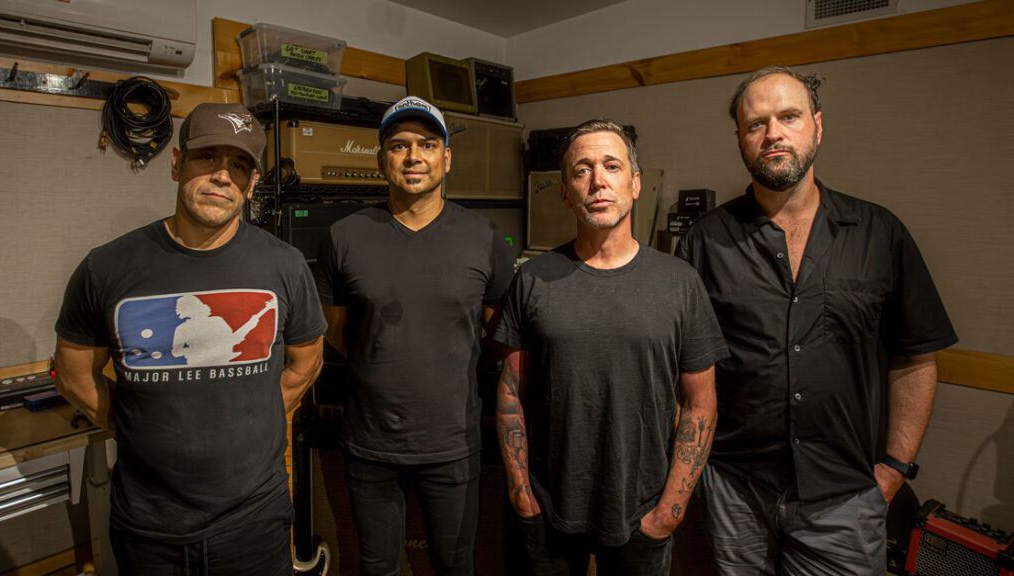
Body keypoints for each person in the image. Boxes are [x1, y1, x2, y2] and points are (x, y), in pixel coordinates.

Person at [675, 65, 959, 575]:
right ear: (740, 138)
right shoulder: (705, 241)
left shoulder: (879, 233)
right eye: (756, 123)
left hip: (845, 495)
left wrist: (894, 469)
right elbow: (686, 369)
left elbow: (915, 357)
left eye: (789, 116)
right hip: (734, 491)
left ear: (818, 126)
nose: (773, 134)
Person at [54, 102, 327, 575]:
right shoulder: (106, 267)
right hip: (148, 528)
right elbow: (74, 375)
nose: (223, 175)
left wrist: (254, 421)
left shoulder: (285, 265)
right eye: (207, 157)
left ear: (252, 184)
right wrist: (140, 429)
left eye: (239, 166)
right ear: (177, 162)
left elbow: (307, 363)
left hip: (254, 523)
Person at [494, 119, 728, 575]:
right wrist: (521, 493)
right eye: (582, 170)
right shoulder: (533, 279)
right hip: (548, 508)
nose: (598, 180)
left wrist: (670, 511)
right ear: (566, 193)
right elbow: (510, 395)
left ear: (635, 184)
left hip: (643, 512)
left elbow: (700, 405)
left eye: (612, 166)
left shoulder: (679, 283)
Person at [314, 96, 514, 576]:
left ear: (447, 157)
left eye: (427, 144)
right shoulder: (344, 236)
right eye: (399, 145)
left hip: (453, 443)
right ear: (381, 159)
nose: (413, 156)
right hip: (370, 442)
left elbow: (497, 334)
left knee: (455, 564)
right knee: (376, 564)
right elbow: (336, 329)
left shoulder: (485, 237)